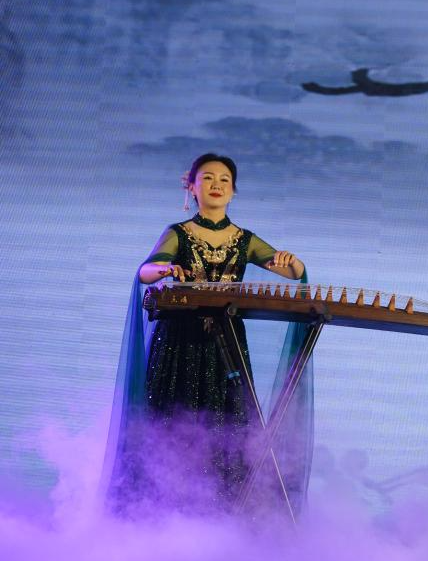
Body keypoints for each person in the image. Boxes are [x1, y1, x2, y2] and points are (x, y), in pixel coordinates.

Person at [101, 153, 314, 518]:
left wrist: (293, 263)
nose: (217, 185)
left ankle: (224, 514)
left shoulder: (244, 240)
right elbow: (146, 271)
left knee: (227, 422)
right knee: (172, 417)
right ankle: (161, 512)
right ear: (192, 187)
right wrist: (164, 268)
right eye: (208, 178)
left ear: (233, 191)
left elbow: (293, 271)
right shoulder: (178, 233)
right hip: (178, 342)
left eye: (224, 180)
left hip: (225, 345)